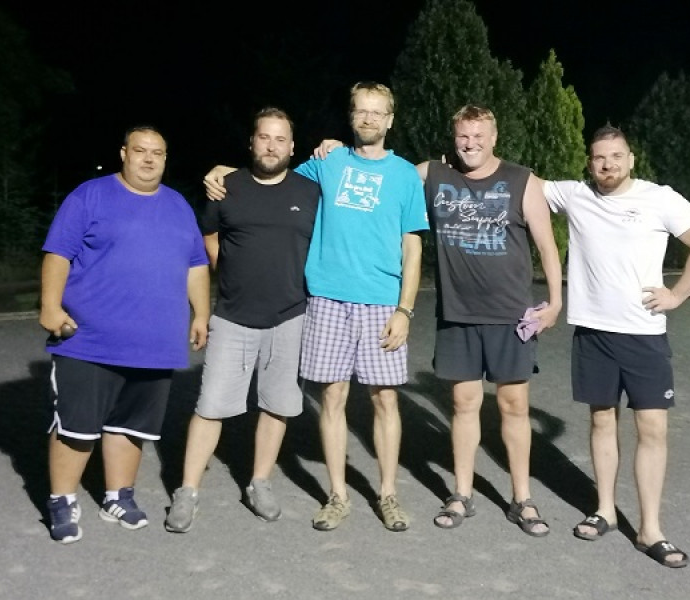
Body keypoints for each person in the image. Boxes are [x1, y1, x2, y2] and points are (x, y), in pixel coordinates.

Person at [313, 104, 562, 536]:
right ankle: (461, 493)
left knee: (514, 406)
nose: (471, 143)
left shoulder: (522, 180)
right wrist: (341, 150)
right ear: (454, 137)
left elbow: (547, 246)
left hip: (510, 314)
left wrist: (556, 302)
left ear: (494, 137)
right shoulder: (432, 173)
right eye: (464, 136)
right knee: (463, 405)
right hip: (457, 314)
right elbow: (384, 172)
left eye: (479, 136)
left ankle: (522, 499)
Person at [203, 82, 429, 532]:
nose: (368, 118)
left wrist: (405, 310)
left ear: (390, 120)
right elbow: (270, 172)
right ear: (351, 116)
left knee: (385, 399)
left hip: (381, 301)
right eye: (360, 110)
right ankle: (338, 495)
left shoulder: (404, 175)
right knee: (333, 398)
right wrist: (223, 170)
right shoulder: (327, 163)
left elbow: (413, 246)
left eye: (377, 112)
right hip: (326, 298)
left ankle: (388, 494)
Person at [542, 124, 690, 567]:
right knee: (602, 420)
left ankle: (650, 529)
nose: (608, 165)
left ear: (631, 160)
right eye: (599, 158)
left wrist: (677, 294)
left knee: (653, 429)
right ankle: (604, 510)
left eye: (616, 156)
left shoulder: (659, 198)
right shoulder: (575, 195)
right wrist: (455, 165)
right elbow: (516, 181)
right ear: (590, 162)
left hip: (644, 334)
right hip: (593, 332)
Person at [39, 125, 211, 544]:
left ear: (165, 159)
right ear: (123, 153)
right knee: (77, 426)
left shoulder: (178, 205)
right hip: (89, 339)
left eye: (157, 153)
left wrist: (202, 313)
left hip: (154, 344)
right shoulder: (90, 196)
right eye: (140, 150)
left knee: (131, 425)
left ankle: (119, 496)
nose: (149, 159)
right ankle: (62, 500)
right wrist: (50, 306)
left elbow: (195, 264)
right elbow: (58, 253)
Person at [164, 108, 320, 532]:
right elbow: (209, 235)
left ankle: (259, 482)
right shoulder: (226, 187)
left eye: (280, 139)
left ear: (292, 147)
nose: (271, 146)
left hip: (291, 316)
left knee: (277, 405)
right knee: (210, 405)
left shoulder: (310, 191)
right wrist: (227, 269)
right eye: (264, 137)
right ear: (252, 142)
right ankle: (187, 490)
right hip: (233, 316)